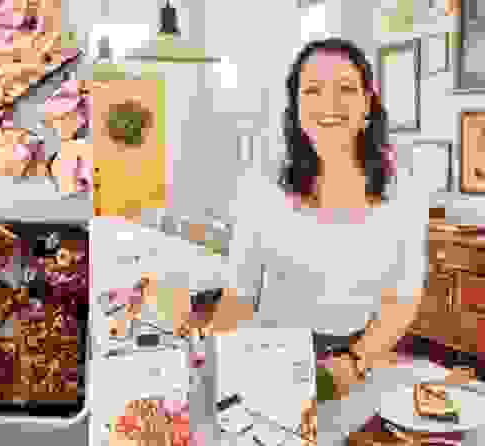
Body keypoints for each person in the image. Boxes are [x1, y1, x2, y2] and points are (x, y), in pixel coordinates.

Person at [179, 38, 431, 400]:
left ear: (367, 103)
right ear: (295, 108)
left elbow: (402, 299)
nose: (329, 104)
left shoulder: (404, 191)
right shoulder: (262, 186)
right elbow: (240, 293)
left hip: (357, 359)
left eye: (345, 88)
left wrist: (355, 360)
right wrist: (214, 361)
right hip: (267, 357)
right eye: (313, 90)